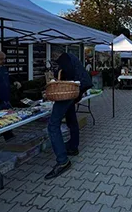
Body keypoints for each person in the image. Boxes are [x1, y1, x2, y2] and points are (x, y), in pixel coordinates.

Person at [45, 48, 92, 180]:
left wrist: (57, 81)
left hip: (66, 93)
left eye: (53, 57)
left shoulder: (64, 58)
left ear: (56, 54)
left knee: (53, 125)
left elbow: (69, 75)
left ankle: (62, 160)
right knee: (71, 119)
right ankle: (73, 147)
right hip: (74, 91)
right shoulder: (72, 57)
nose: (53, 59)